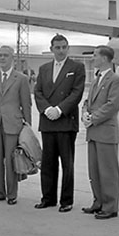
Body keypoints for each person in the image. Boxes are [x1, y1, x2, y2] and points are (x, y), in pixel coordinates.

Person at [34, 34, 86, 212]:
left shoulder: (77, 67)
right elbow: (38, 92)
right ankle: (48, 198)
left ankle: (66, 201)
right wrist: (47, 109)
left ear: (68, 48)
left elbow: (76, 93)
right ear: (51, 49)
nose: (61, 50)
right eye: (58, 47)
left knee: (67, 164)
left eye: (64, 47)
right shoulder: (44, 68)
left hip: (65, 122)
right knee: (48, 163)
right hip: (48, 122)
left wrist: (60, 110)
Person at [0, 45, 32, 205]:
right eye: (0, 56)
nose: (2, 58)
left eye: (5, 56)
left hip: (12, 125)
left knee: (11, 161)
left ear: (12, 58)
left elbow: (26, 104)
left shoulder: (21, 79)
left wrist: (27, 128)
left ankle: (12, 194)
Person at [82, 45, 119, 219]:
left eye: (95, 55)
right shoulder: (95, 80)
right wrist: (84, 113)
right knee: (95, 171)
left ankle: (110, 206)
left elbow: (112, 105)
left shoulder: (115, 80)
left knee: (108, 171)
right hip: (93, 132)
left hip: (106, 132)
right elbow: (88, 101)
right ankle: (98, 201)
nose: (93, 58)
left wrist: (93, 117)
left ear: (105, 58)